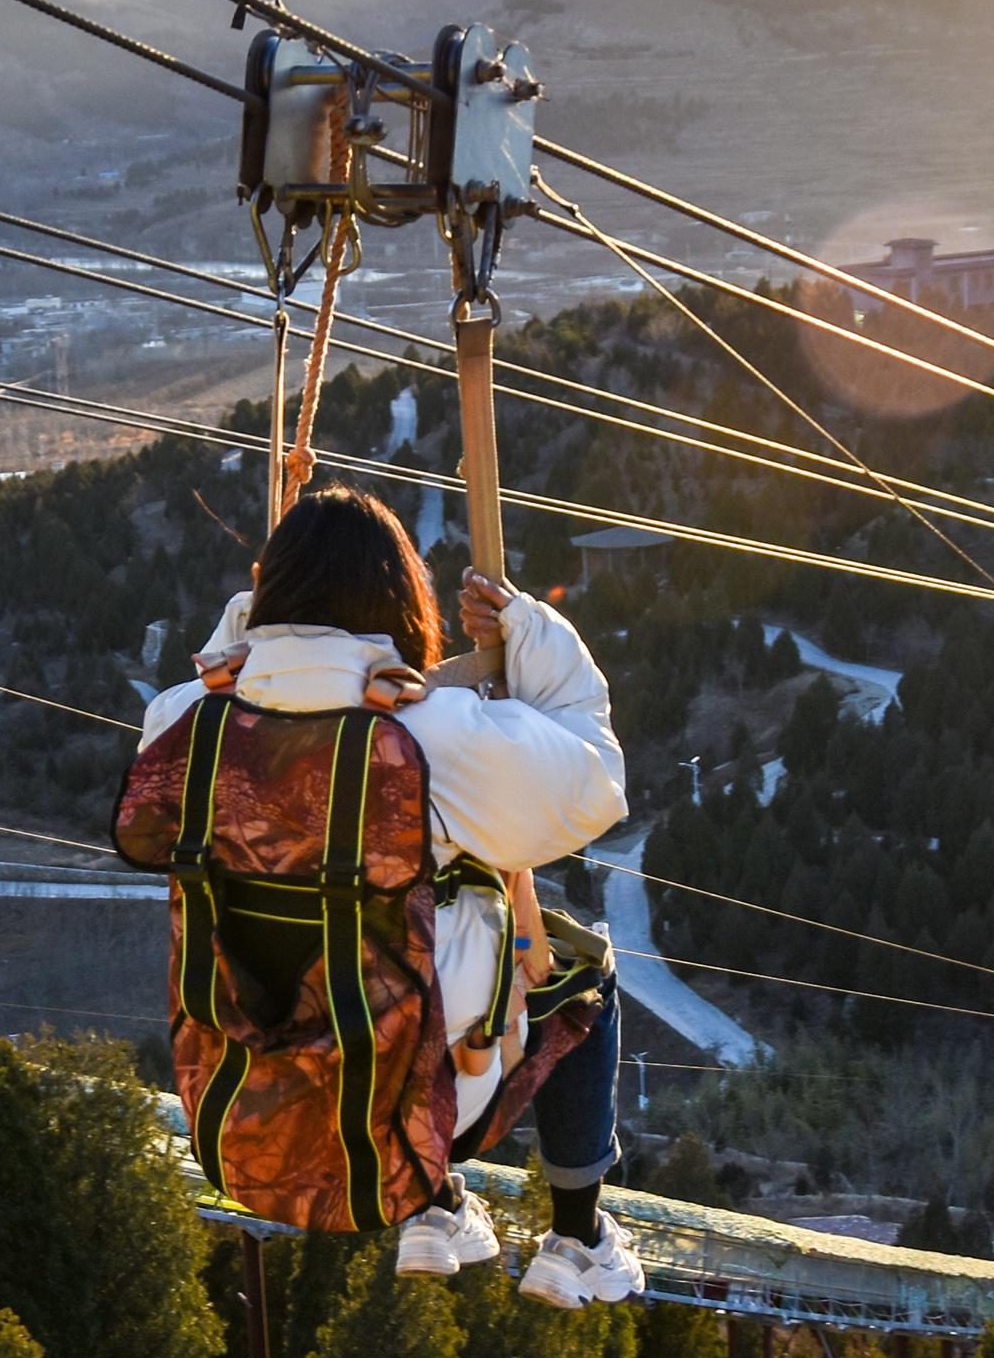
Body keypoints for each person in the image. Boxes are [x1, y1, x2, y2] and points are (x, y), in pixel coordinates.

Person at [136, 485, 641, 1307]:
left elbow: (210, 683)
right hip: (419, 1097)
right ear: (401, 598)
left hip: (252, 1104)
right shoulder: (429, 731)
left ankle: (436, 1208)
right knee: (582, 971)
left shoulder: (184, 725)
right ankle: (578, 1239)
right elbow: (595, 784)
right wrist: (532, 635)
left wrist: (245, 631)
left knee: (357, 957)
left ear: (268, 593)